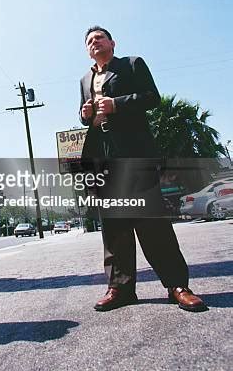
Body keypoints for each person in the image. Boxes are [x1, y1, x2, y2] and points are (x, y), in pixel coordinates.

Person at [79, 26, 207, 313]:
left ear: (112, 42)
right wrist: (85, 114)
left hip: (134, 152)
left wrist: (117, 105)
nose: (94, 42)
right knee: (113, 224)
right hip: (102, 156)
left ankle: (177, 285)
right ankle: (120, 288)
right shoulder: (85, 78)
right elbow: (85, 114)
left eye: (99, 38)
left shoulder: (132, 64)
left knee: (151, 221)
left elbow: (152, 97)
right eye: (89, 41)